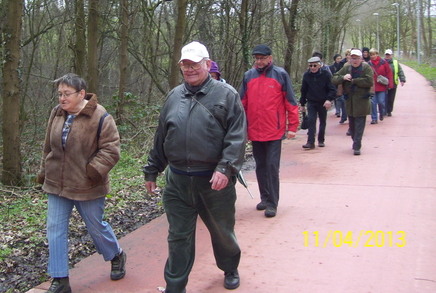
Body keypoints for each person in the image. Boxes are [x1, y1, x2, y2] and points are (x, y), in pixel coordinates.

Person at [144, 41, 246, 292]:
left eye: (195, 64)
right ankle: (175, 286)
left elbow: (237, 137)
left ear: (207, 64)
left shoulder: (226, 95)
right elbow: (161, 136)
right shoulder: (173, 96)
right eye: (185, 65)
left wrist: (225, 168)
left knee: (222, 232)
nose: (189, 70)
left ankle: (230, 267)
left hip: (213, 183)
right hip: (177, 182)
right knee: (178, 236)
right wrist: (152, 169)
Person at [38, 73, 126, 293]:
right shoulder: (56, 113)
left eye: (67, 94)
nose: (62, 98)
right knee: (55, 229)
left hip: (87, 184)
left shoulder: (100, 116)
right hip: (57, 184)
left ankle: (116, 254)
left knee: (96, 227)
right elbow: (48, 146)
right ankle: (60, 279)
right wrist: (43, 171)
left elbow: (111, 149)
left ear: (81, 94)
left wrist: (93, 171)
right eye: (59, 94)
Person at [239, 44, 299, 218]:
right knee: (261, 166)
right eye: (256, 58)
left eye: (262, 58)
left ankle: (273, 203)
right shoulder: (248, 76)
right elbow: (242, 103)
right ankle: (264, 198)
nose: (259, 61)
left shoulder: (280, 75)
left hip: (274, 130)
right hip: (255, 130)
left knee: (272, 167)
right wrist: (240, 127)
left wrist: (293, 127)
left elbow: (290, 101)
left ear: (270, 58)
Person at [331, 49, 374, 155]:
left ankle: (357, 145)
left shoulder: (366, 68)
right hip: (349, 100)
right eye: (352, 58)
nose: (354, 60)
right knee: (352, 124)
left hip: (362, 100)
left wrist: (355, 80)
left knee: (360, 123)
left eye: (356, 58)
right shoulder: (346, 68)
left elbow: (369, 81)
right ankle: (355, 140)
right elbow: (334, 79)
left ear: (361, 59)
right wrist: (343, 77)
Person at [299, 56, 337, 149]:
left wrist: (328, 99)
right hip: (311, 102)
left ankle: (321, 140)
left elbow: (332, 89)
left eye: (315, 65)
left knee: (322, 121)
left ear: (319, 65)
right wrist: (302, 104)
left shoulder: (326, 74)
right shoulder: (306, 75)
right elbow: (303, 90)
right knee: (311, 121)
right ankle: (310, 142)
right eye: (311, 66)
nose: (312, 67)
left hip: (323, 102)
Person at [368, 48, 393, 124]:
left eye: (374, 54)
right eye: (371, 55)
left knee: (381, 102)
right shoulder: (368, 64)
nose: (373, 56)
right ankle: (374, 118)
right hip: (372, 87)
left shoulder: (383, 62)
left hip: (381, 86)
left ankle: (382, 113)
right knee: (373, 102)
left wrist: (390, 84)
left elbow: (389, 73)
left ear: (377, 54)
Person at [383, 49, 406, 116]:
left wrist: (402, 79)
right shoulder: (382, 62)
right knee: (383, 98)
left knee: (391, 98)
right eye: (386, 54)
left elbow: (400, 71)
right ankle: (383, 110)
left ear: (391, 55)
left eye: (389, 55)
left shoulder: (395, 63)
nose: (387, 56)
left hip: (393, 83)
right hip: (383, 83)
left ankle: (389, 111)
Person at [329, 54, 347, 123]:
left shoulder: (343, 65)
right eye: (337, 59)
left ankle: (341, 113)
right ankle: (338, 111)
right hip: (334, 82)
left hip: (341, 83)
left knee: (340, 98)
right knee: (336, 97)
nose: (339, 60)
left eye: (340, 58)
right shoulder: (331, 67)